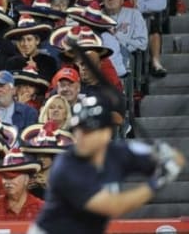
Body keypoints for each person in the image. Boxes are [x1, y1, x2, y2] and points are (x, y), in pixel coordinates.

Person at [31, 95, 186, 233]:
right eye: (78, 129)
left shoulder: (120, 153)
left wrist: (165, 153)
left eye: (89, 131)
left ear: (106, 133)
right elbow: (113, 206)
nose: (81, 136)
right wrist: (158, 182)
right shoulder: (67, 165)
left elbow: (176, 158)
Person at [0, 149, 44, 221]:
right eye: (4, 177)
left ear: (26, 180)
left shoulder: (42, 209)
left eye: (12, 177)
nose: (8, 181)